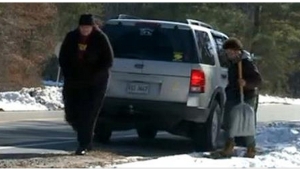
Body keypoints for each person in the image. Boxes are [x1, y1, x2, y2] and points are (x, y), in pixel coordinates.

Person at [58, 14, 114, 155]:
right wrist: (68, 73)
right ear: (79, 26)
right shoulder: (71, 37)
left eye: (87, 27)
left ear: (92, 27)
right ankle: (83, 133)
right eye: (82, 27)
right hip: (74, 81)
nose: (85, 30)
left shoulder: (100, 39)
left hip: (95, 84)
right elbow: (63, 57)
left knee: (88, 114)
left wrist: (95, 74)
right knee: (71, 113)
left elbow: (108, 61)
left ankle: (84, 144)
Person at [217, 38, 262, 158]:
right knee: (229, 121)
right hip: (233, 95)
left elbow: (257, 80)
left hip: (246, 96)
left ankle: (251, 148)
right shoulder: (231, 63)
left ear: (238, 51)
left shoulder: (246, 63)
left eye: (231, 52)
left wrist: (246, 83)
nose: (229, 55)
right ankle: (229, 146)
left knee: (247, 121)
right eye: (227, 53)